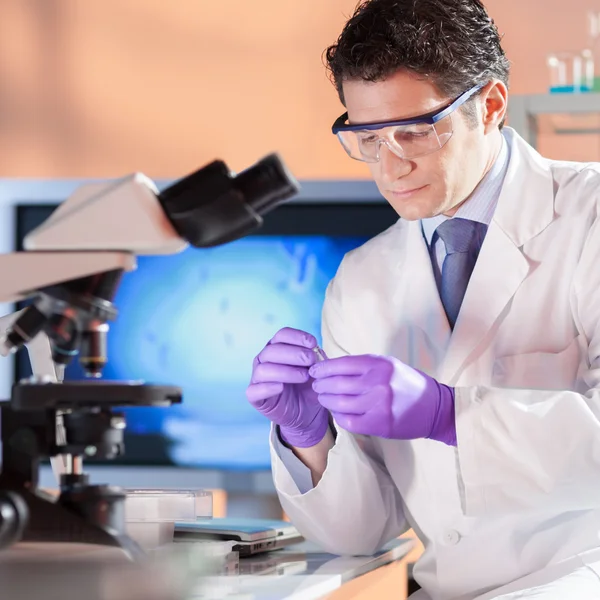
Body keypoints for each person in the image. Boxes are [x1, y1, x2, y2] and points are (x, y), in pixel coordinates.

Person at [245, 1, 600, 598]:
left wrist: (446, 415)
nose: (391, 164)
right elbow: (360, 536)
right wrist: (310, 438)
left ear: (489, 106)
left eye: (414, 130)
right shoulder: (361, 279)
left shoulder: (589, 217)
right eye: (367, 137)